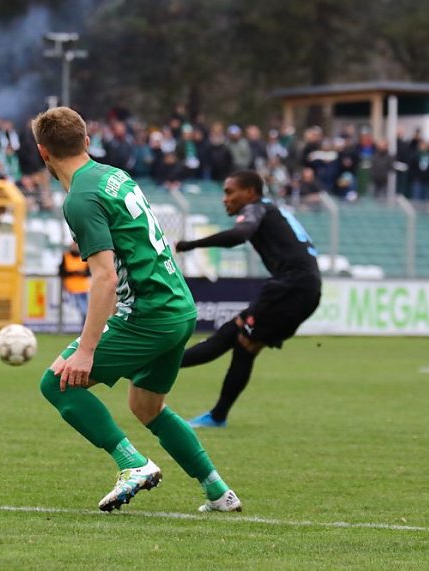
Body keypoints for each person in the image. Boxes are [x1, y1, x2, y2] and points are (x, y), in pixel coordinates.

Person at [33, 106, 242, 514]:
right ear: (87, 141)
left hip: (148, 313)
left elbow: (104, 278)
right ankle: (219, 492)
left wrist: (86, 350)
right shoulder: (113, 175)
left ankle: (133, 464)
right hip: (178, 307)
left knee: (56, 383)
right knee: (146, 406)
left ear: (43, 152)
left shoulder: (81, 197)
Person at [175, 170, 321, 428]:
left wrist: (190, 244)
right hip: (303, 288)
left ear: (250, 193)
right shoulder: (272, 209)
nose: (225, 199)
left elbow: (240, 234)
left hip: (290, 287)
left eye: (230, 192)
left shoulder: (255, 208)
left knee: (237, 339)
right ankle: (216, 415)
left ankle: (156, 368)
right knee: (238, 340)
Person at [59, 242, 90, 325]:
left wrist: (81, 273)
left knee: (84, 311)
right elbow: (61, 271)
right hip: (69, 289)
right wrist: (73, 273)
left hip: (83, 289)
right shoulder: (66, 256)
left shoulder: (85, 257)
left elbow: (89, 272)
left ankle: (83, 328)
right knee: (72, 312)